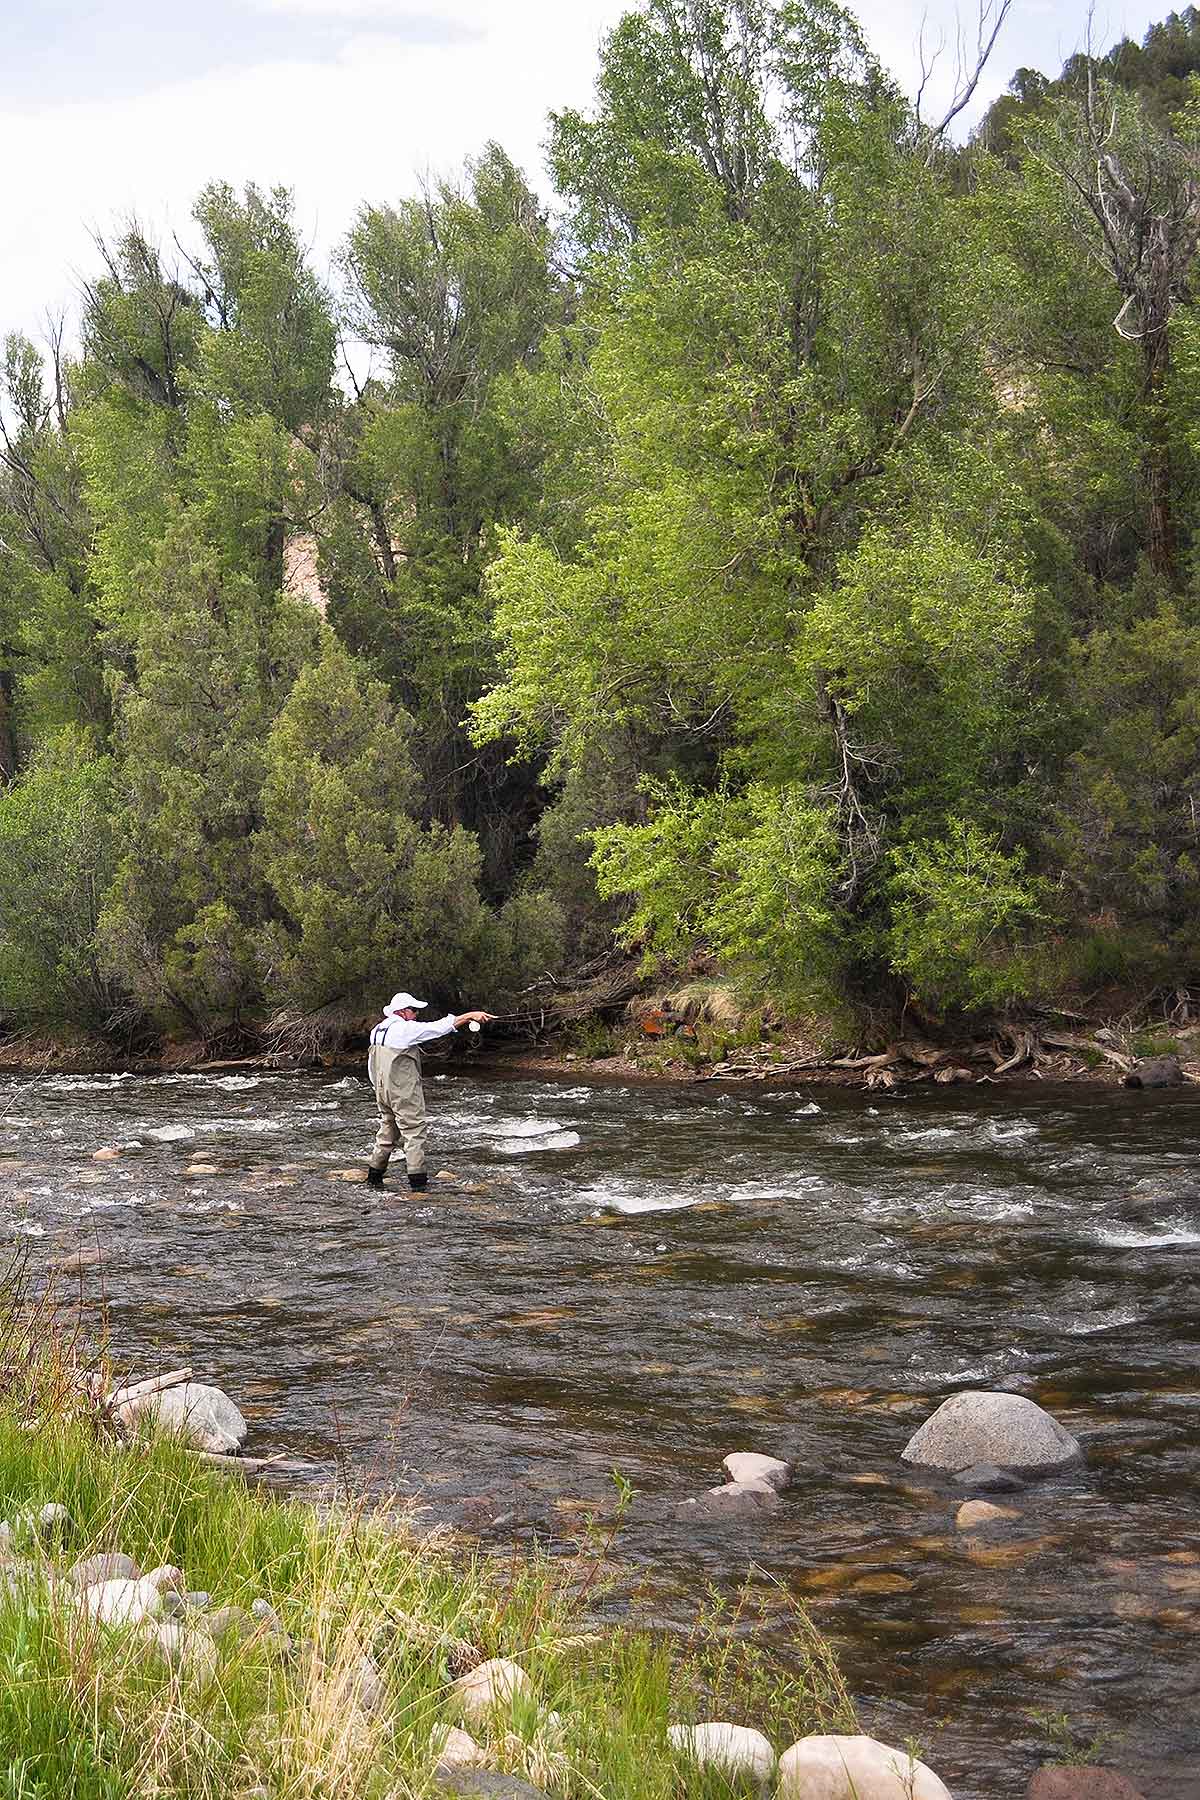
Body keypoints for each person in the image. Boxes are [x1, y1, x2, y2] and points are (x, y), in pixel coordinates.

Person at [365, 991, 495, 1191]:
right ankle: (418, 1186)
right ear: (403, 1011)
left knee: (387, 1131)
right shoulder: (404, 1029)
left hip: (382, 1091)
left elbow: (371, 1064)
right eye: (414, 1010)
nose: (416, 1014)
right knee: (414, 1132)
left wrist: (377, 1089)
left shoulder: (377, 1029)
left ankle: (373, 1178)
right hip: (403, 1091)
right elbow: (438, 1028)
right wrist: (469, 1015)